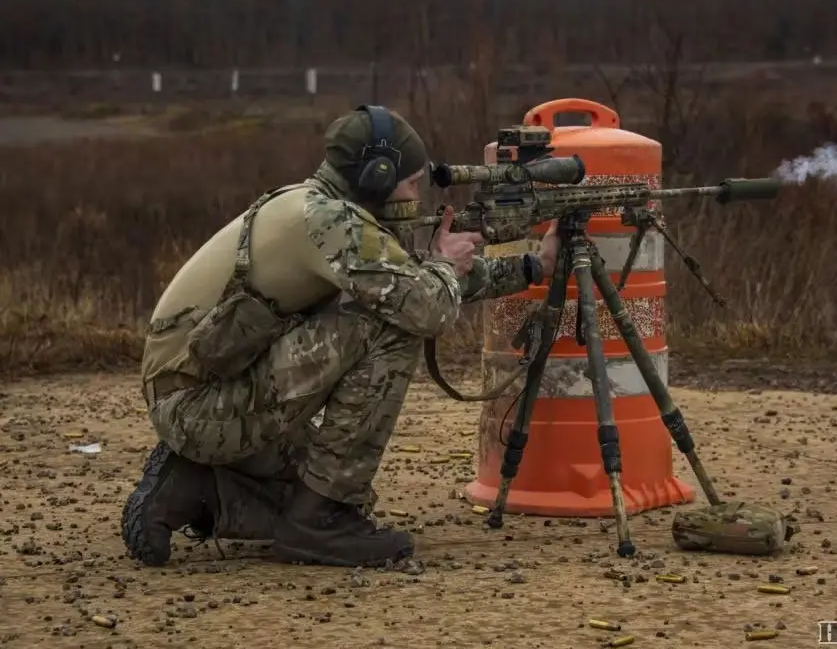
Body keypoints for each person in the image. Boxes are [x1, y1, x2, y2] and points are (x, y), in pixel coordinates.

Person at [121, 105, 559, 569]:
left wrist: (533, 268)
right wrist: (444, 265)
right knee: (390, 329)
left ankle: (192, 488)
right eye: (411, 184)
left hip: (199, 393)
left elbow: (407, 281)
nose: (416, 197)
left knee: (318, 491)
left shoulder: (316, 205)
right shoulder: (333, 223)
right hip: (199, 406)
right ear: (377, 177)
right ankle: (319, 523)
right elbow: (423, 307)